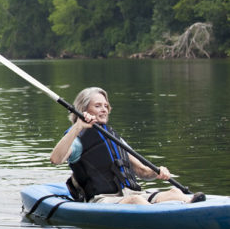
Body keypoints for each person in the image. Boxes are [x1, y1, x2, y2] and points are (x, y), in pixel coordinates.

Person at [50, 87, 205, 204]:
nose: (104, 109)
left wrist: (157, 172)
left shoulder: (114, 138)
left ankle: (192, 206)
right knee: (136, 201)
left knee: (174, 192)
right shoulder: (77, 138)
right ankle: (162, 218)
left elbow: (141, 171)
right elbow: (56, 159)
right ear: (84, 110)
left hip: (129, 193)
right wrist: (78, 126)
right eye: (98, 106)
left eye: (106, 106)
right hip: (102, 199)